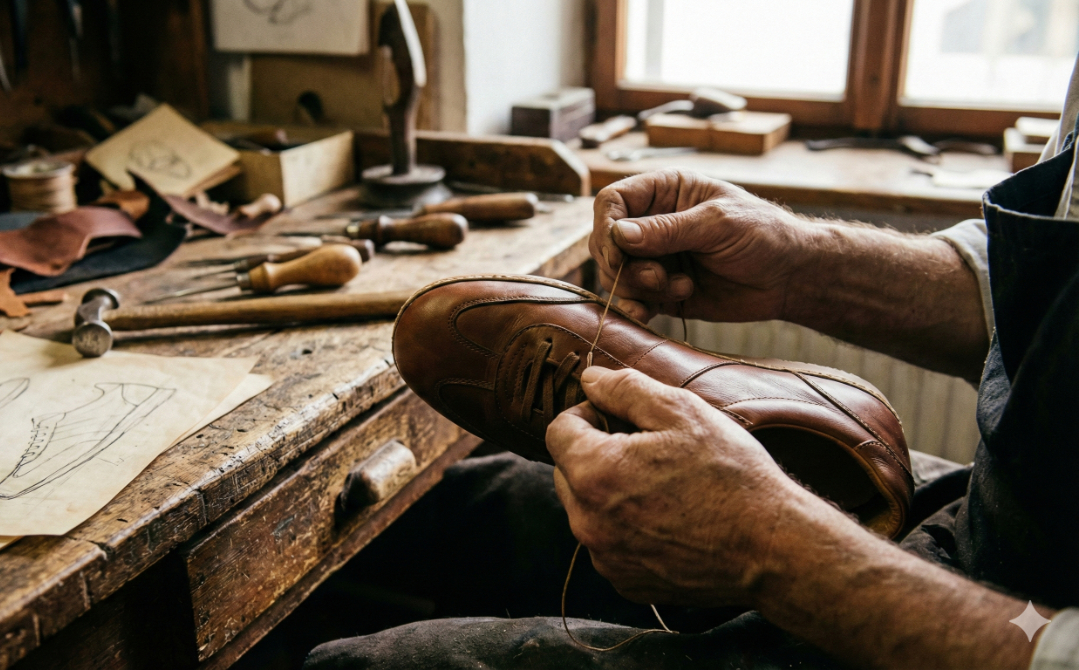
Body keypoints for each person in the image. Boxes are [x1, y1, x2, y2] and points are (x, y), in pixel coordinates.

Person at [304, 58, 1079, 670]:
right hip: (989, 518)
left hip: (989, 638)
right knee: (437, 513)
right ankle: (852, 479)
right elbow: (1034, 295)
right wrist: (798, 263)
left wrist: (773, 549)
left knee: (348, 666)